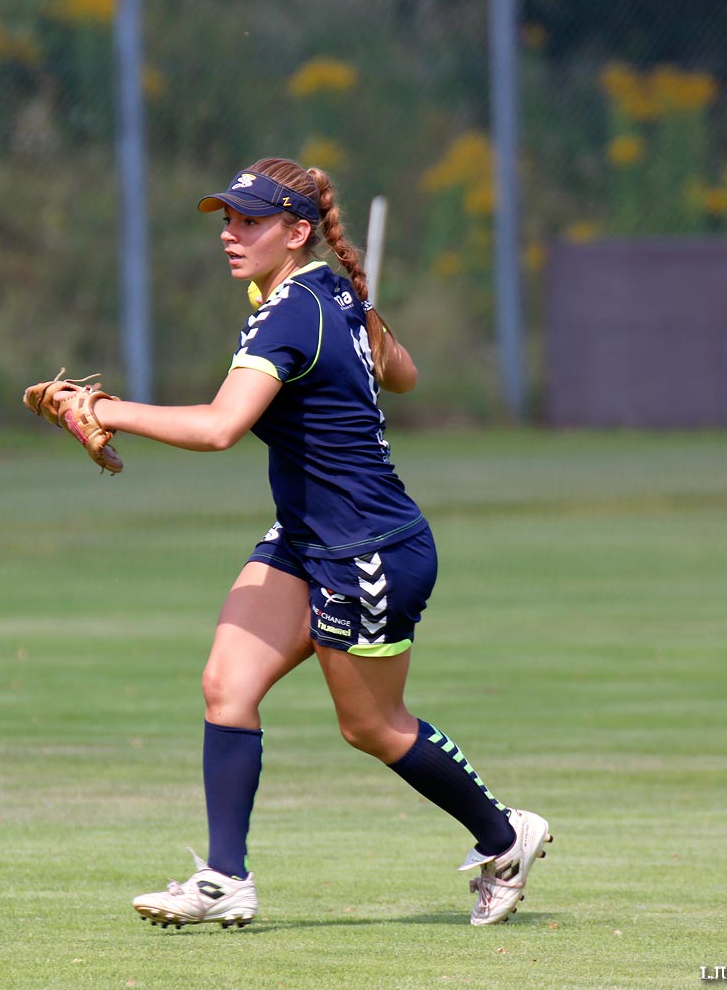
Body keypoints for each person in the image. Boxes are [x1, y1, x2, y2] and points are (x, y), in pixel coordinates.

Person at [87, 158, 550, 928]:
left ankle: (505, 837)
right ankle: (225, 879)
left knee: (372, 726)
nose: (231, 234)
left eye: (250, 221)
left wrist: (105, 406)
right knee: (226, 687)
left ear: (297, 232)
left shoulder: (297, 309)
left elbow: (218, 427)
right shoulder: (325, 290)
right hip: (308, 537)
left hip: (366, 550)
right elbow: (403, 375)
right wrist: (365, 325)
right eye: (227, 219)